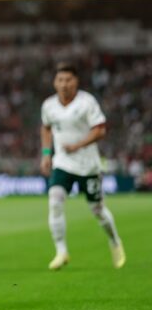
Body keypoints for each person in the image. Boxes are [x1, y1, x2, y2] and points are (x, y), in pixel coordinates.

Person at [40, 62, 125, 270]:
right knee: (55, 201)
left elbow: (100, 130)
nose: (64, 84)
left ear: (76, 81)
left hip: (88, 165)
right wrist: (46, 153)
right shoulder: (49, 105)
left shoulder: (87, 102)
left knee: (97, 209)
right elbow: (46, 128)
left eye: (68, 80)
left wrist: (78, 145)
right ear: (54, 82)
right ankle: (61, 251)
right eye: (60, 80)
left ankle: (115, 240)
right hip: (62, 163)